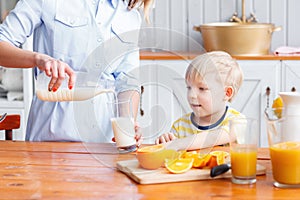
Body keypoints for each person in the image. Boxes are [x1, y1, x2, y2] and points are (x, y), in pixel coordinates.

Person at [0, 0, 154, 144]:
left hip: (104, 144)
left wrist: (127, 124)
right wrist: (39, 59)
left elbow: (126, 81)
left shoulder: (129, 15)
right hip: (50, 139)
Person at [155, 51, 245, 150]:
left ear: (226, 93)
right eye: (189, 87)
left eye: (202, 88)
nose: (191, 95)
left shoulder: (237, 121)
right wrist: (165, 141)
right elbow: (170, 155)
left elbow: (216, 136)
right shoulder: (180, 126)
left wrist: (178, 144)